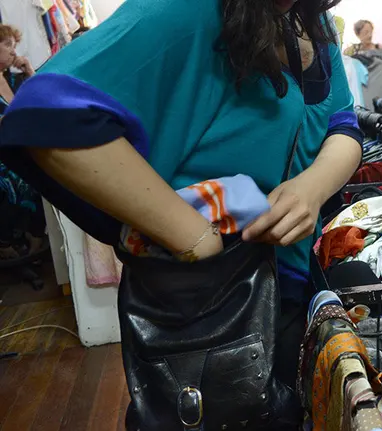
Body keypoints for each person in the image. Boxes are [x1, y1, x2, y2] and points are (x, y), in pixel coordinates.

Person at [0, 0, 362, 423]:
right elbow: (47, 113)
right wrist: (196, 238)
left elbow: (342, 122)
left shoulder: (310, 18)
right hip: (209, 302)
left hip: (287, 284)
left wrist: (310, 188)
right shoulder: (190, 9)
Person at [0, 24, 45, 260]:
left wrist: (28, 70)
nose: (12, 51)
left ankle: (35, 234)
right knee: (19, 181)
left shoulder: (11, 78)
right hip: (2, 154)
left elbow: (43, 94)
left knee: (44, 171)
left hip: (15, 146)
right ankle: (5, 241)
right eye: (7, 45)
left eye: (14, 46)